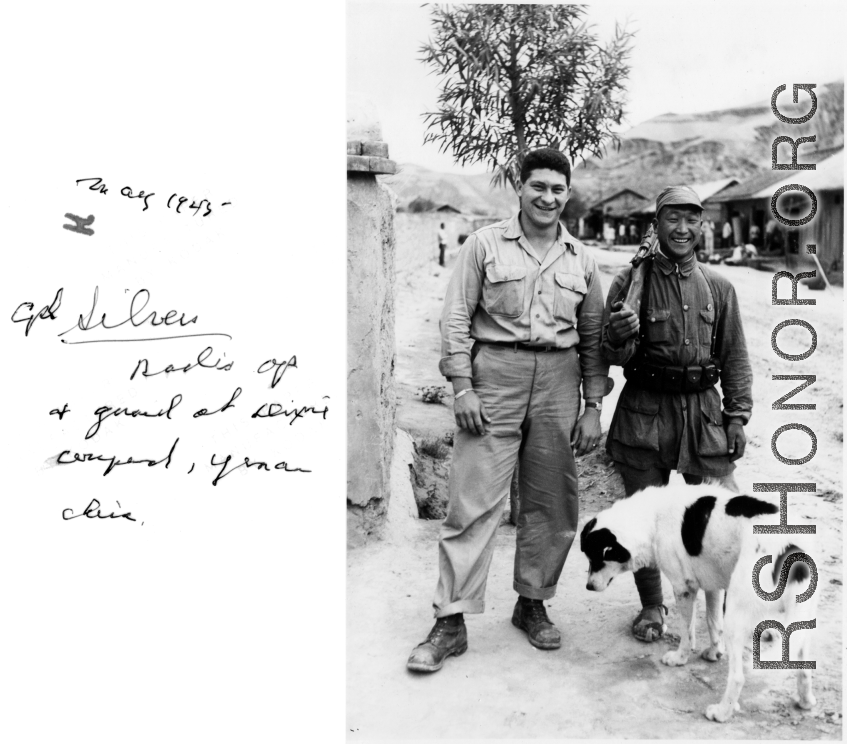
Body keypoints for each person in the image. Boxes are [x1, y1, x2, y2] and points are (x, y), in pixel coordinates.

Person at [407, 148, 609, 672]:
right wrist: (461, 387)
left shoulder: (581, 259)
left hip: (559, 382)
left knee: (552, 503)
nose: (548, 197)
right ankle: (451, 621)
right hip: (494, 374)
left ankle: (533, 602)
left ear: (568, 194)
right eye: (538, 186)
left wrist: (593, 406)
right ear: (519, 188)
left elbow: (593, 339)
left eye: (557, 189)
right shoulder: (484, 244)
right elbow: (455, 317)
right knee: (473, 501)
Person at [601, 186, 753, 643]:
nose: (682, 229)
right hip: (644, 414)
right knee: (644, 519)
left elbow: (735, 358)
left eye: (692, 219)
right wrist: (618, 333)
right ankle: (652, 607)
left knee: (724, 516)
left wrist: (737, 416)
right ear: (657, 224)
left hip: (703, 415)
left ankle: (724, 609)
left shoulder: (719, 287)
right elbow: (610, 354)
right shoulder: (630, 282)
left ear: (701, 225)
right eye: (673, 219)